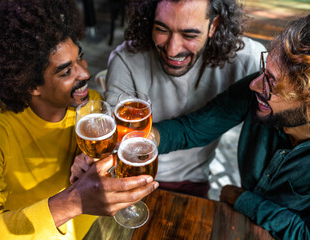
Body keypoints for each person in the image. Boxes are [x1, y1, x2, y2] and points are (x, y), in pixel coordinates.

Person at [0, 0, 158, 239]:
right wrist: (74, 201)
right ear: (31, 85)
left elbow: (103, 161)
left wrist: (89, 167)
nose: (85, 73)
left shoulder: (87, 107)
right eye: (66, 71)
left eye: (79, 58)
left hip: (84, 230)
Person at [151, 15, 310, 239]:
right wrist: (144, 138)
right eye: (264, 69)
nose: (254, 84)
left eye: (271, 82)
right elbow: (194, 128)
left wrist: (241, 199)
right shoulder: (258, 92)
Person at [105, 0, 266, 197]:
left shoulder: (248, 59)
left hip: (193, 182)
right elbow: (117, 141)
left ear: (213, 26)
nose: (172, 50)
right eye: (161, 29)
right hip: (130, 176)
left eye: (189, 35)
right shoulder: (125, 59)